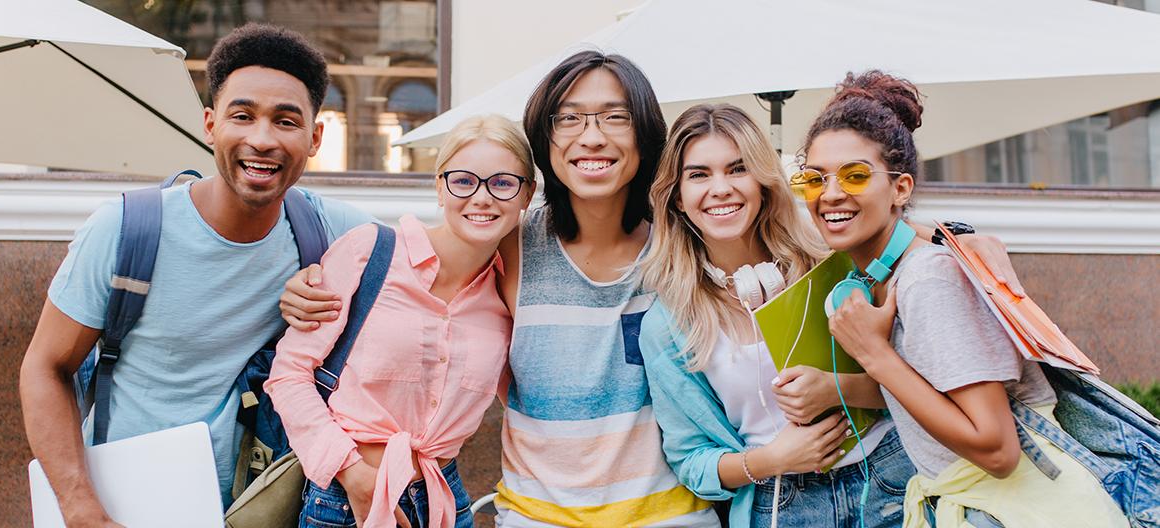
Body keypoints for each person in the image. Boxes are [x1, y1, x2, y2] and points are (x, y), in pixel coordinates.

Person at [279, 53, 1031, 528]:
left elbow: (838, 236)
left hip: (676, 515)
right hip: (538, 515)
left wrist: (950, 240)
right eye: (570, 119)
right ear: (547, 140)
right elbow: (427, 240)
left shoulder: (682, 246)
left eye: (612, 117)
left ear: (642, 137)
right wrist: (313, 267)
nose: (592, 136)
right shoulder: (513, 239)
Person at [18, 24, 372, 527]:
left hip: (257, 507)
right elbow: (44, 368)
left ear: (315, 137)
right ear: (210, 125)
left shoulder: (331, 231)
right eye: (242, 116)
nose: (262, 139)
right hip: (127, 505)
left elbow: (440, 256)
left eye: (286, 121)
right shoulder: (126, 230)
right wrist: (79, 508)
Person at [811, 71, 1128, 527]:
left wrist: (875, 355)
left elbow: (997, 449)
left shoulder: (926, 279)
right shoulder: (888, 271)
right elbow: (934, 400)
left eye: (855, 175)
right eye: (814, 179)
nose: (831, 193)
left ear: (901, 188)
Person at [639, 102, 917, 528]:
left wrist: (835, 389)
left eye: (737, 169)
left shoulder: (833, 261)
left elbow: (921, 386)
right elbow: (691, 463)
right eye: (699, 175)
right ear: (677, 197)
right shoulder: (669, 323)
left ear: (764, 182)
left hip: (891, 475)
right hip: (783, 505)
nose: (721, 188)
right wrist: (770, 460)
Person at [265, 114, 534, 528]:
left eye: (502, 183)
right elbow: (289, 373)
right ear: (439, 188)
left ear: (526, 195)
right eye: (463, 181)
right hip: (345, 499)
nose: (482, 198)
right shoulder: (371, 252)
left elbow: (526, 399)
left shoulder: (507, 294)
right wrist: (350, 472)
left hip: (444, 501)